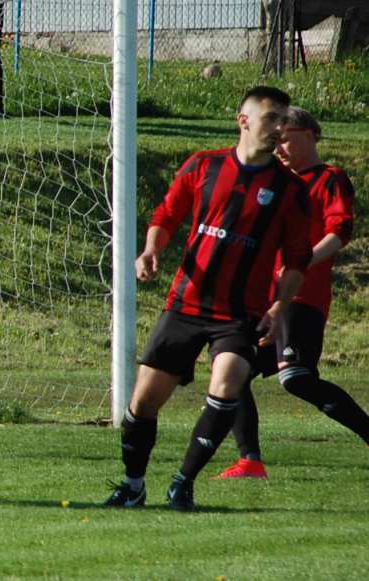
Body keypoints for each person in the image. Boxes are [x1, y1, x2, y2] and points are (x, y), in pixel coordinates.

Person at [103, 86, 313, 510]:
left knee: (229, 379)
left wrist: (277, 308)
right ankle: (133, 484)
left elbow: (296, 260)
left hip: (239, 314)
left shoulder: (290, 191)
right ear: (244, 121)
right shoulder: (204, 166)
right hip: (186, 305)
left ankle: (183, 482)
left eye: (283, 121)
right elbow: (167, 214)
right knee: (142, 403)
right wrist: (151, 250)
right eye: (271, 119)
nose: (279, 128)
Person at [217, 106, 369, 479]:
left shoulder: (329, 179)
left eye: (284, 137)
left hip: (301, 298)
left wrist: (302, 263)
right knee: (229, 372)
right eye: (274, 139)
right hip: (260, 301)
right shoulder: (273, 186)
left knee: (297, 378)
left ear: (310, 134)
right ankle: (249, 461)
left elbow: (339, 233)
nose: (278, 146)